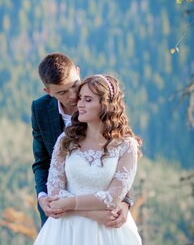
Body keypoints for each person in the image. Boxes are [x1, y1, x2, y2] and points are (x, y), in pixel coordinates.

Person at [7, 74, 162, 245]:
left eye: (87, 99)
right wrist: (87, 210)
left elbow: (113, 197)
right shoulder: (65, 141)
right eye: (79, 98)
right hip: (64, 236)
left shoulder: (126, 146)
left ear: (106, 104)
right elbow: (55, 193)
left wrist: (76, 205)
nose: (78, 103)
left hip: (110, 237)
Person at [31, 52, 133, 227]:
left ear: (78, 72)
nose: (73, 96)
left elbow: (121, 159)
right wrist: (42, 197)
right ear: (48, 91)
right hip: (61, 218)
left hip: (107, 215)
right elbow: (42, 162)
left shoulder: (100, 98)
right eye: (62, 92)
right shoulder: (40, 109)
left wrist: (125, 201)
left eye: (75, 86)